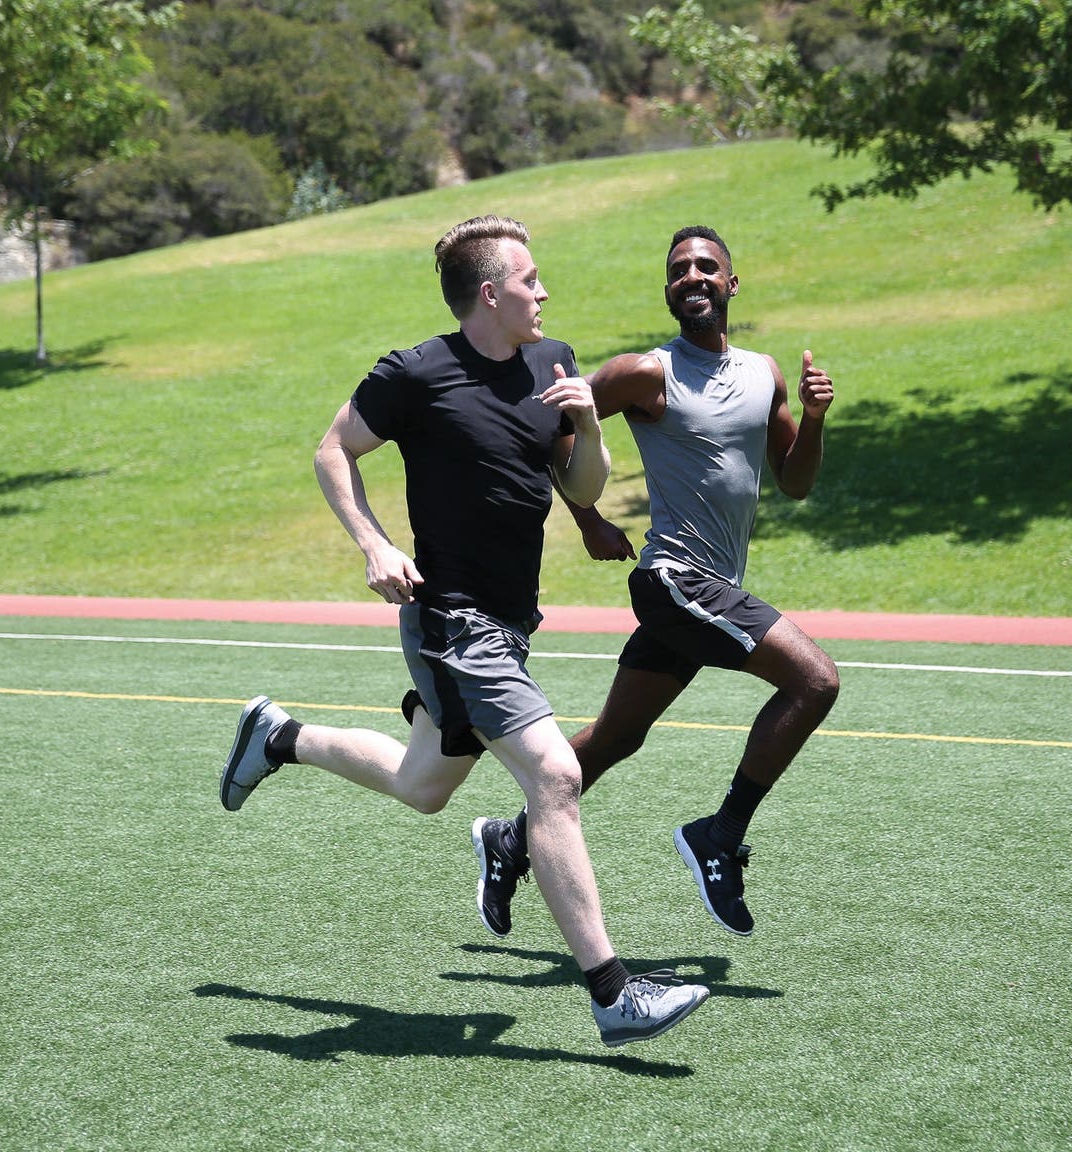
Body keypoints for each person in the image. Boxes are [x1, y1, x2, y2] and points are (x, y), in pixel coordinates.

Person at [219, 215, 708, 1048]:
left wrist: (590, 425)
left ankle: (278, 736)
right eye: (530, 281)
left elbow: (581, 485)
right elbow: (333, 451)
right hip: (451, 619)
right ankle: (613, 993)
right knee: (555, 774)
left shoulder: (554, 364)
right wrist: (374, 544)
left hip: (511, 623)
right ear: (490, 294)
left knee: (423, 787)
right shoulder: (417, 372)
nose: (544, 292)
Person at [468, 225, 839, 940]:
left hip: (709, 589)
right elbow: (548, 430)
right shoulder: (646, 373)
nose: (692, 276)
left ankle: (510, 839)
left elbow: (795, 481)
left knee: (616, 737)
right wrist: (588, 519)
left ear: (731, 284)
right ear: (669, 292)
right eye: (678, 270)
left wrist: (816, 418)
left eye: (706, 267)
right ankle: (720, 836)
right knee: (815, 681)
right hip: (676, 580)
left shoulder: (765, 373)